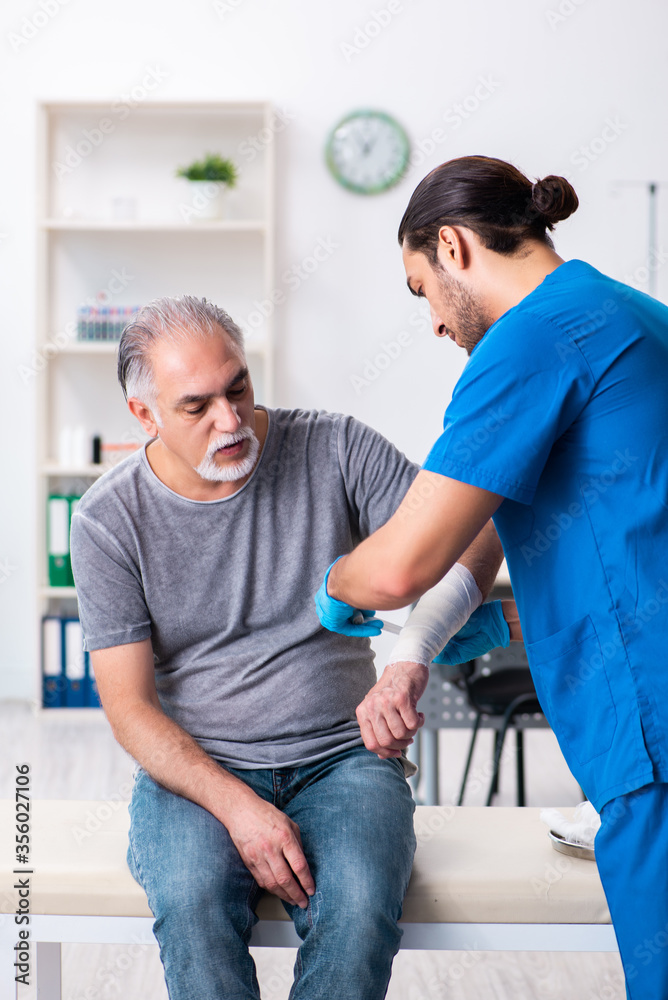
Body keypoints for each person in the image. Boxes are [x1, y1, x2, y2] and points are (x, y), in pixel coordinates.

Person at [70, 295, 503, 1000]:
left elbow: (475, 536)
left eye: (238, 387)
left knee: (360, 905)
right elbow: (129, 709)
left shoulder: (334, 446)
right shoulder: (107, 522)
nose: (230, 421)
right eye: (197, 406)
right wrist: (241, 809)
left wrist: (408, 656)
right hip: (200, 774)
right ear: (144, 416)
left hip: (342, 758)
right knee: (191, 903)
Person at [314, 155, 668, 1000]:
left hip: (646, 714)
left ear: (453, 247)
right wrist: (414, 651)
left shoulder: (529, 341)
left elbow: (402, 560)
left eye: (420, 288)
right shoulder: (626, 313)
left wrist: (332, 579)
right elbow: (486, 527)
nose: (433, 323)